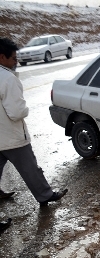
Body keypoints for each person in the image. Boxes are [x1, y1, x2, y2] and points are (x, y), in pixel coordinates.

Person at [0, 37, 68, 206]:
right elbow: (16, 112)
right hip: (12, 137)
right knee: (30, 168)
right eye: (14, 58)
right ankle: (45, 195)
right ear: (2, 57)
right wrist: (25, 109)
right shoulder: (8, 79)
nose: (16, 62)